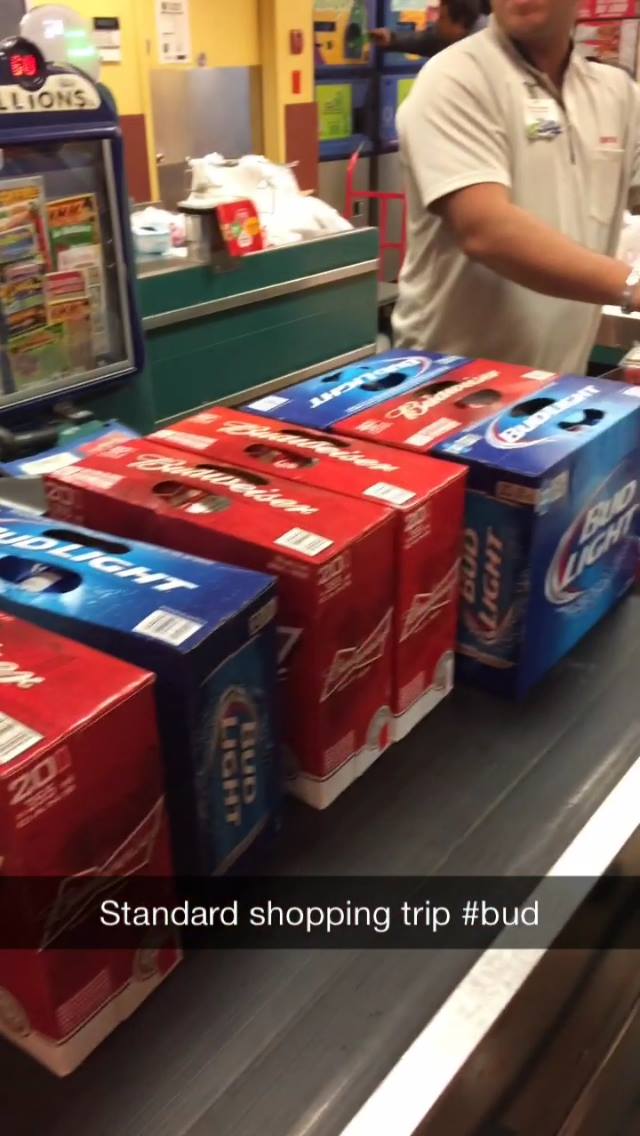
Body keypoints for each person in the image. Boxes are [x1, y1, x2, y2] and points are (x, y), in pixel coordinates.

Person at [393, 0, 640, 375]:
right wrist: (631, 285)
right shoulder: (456, 78)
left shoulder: (615, 92)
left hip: (555, 388)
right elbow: (487, 230)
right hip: (446, 389)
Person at [370, 0, 486, 60]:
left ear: (460, 22)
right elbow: (428, 40)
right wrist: (392, 39)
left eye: (442, 17)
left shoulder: (484, 53)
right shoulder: (463, 36)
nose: (437, 23)